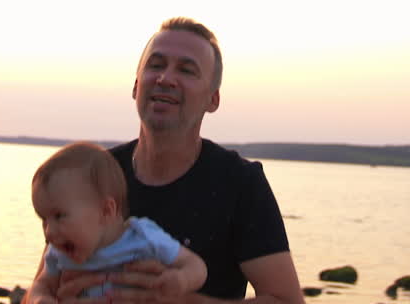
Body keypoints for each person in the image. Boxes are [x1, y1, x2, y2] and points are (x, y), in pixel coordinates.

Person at [26, 17, 304, 304]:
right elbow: (41, 285)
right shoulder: (93, 174)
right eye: (156, 65)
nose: (166, 78)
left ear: (213, 99)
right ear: (136, 86)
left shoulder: (240, 184)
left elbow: (288, 301)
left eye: (186, 70)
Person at [27, 141, 208, 304]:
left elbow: (196, 266)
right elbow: (42, 285)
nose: (49, 232)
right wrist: (40, 299)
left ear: (106, 211)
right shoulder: (59, 252)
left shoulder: (143, 237)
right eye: (43, 220)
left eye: (59, 216)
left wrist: (181, 280)